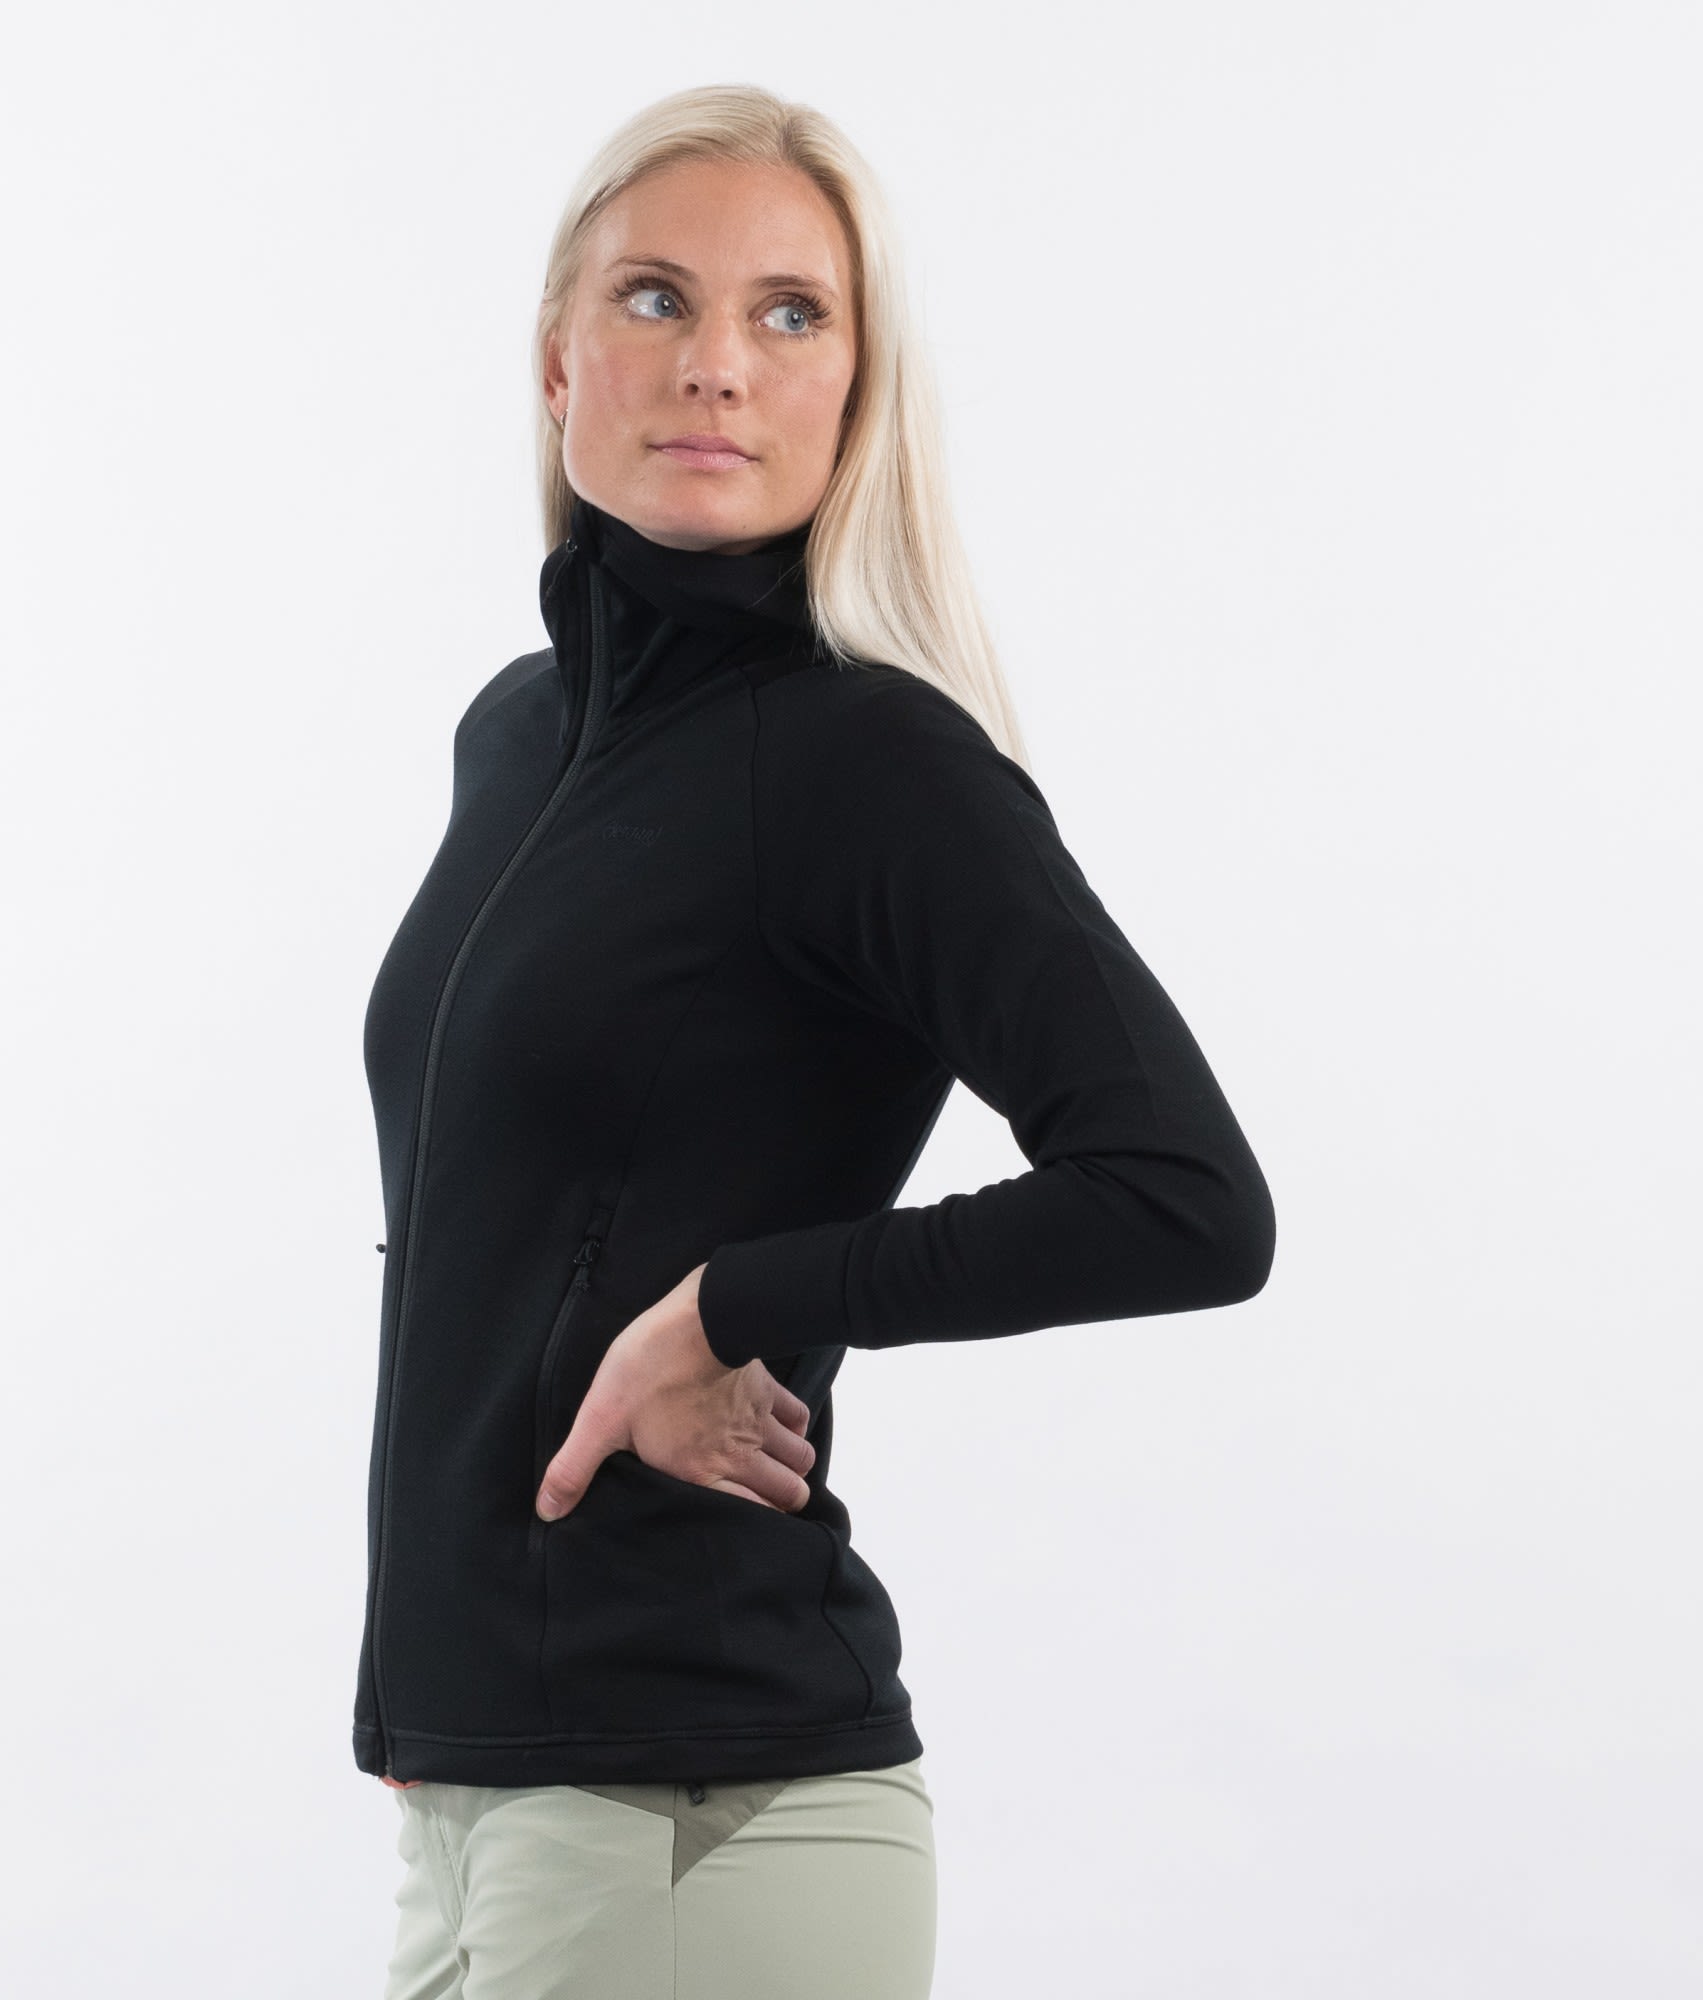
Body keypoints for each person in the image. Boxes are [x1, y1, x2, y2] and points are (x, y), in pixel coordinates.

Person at [360, 83, 1275, 2000]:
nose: (717, 362)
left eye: (790, 313)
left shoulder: (871, 763)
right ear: (556, 359)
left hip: (700, 1812)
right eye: (656, 297)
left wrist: (734, 1304)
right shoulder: (515, 735)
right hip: (485, 1792)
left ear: (856, 391)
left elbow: (1186, 1200)